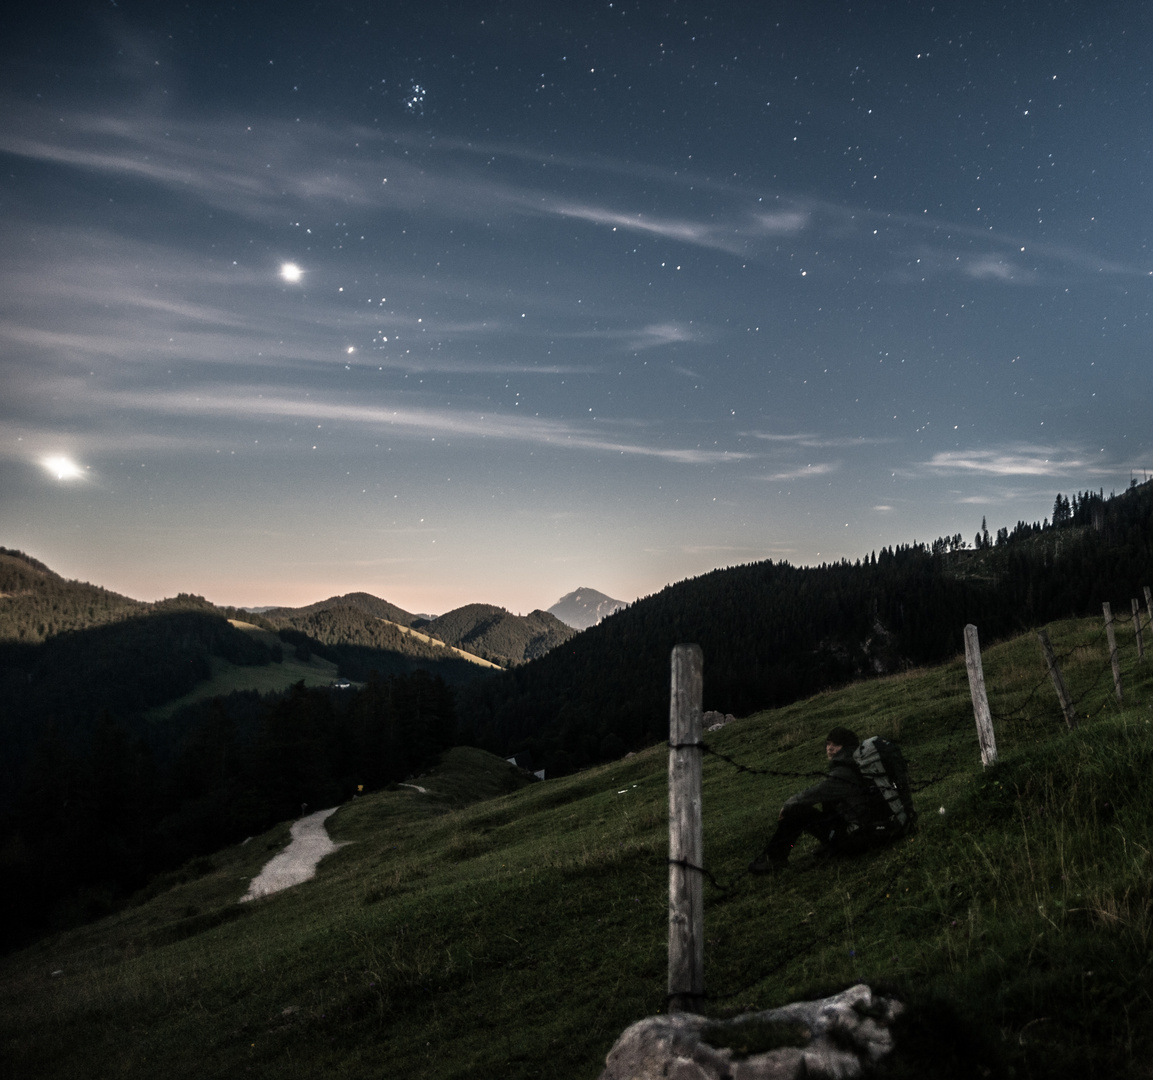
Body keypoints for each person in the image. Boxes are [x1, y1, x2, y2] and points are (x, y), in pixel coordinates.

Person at [748, 727, 875, 873]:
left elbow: (815, 793)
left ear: (847, 747)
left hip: (855, 840)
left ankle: (775, 858)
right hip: (862, 833)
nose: (830, 749)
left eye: (836, 745)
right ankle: (828, 845)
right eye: (828, 744)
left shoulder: (844, 773)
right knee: (824, 803)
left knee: (796, 811)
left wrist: (788, 804)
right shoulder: (857, 766)